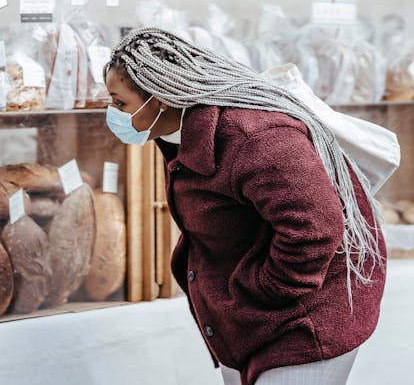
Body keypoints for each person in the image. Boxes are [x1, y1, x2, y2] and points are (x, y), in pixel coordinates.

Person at [103, 27, 386, 385]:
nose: (111, 113)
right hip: (250, 323)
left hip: (305, 320)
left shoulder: (256, 138)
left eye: (120, 102)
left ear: (159, 98)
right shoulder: (179, 134)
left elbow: (316, 230)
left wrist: (258, 292)